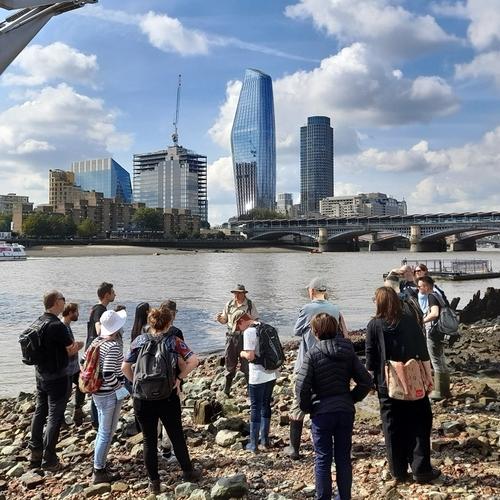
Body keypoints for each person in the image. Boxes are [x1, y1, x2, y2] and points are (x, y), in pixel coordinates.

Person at [122, 307, 201, 494]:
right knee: (176, 435)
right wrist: (179, 379)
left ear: (150, 322)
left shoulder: (138, 341)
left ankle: (154, 482)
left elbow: (125, 366)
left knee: (149, 440)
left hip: (142, 397)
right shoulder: (174, 341)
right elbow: (194, 361)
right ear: (169, 323)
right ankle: (188, 472)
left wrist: (136, 384)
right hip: (167, 395)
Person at [366, 287, 440, 484]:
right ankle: (421, 469)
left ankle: (397, 470)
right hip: (413, 379)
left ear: (379, 302)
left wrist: (371, 381)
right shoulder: (409, 321)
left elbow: (371, 356)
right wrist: (429, 377)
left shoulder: (374, 325)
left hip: (386, 382)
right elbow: (422, 351)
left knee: (391, 427)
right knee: (420, 423)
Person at [296, 313, 372, 500]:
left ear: (316, 332)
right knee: (343, 458)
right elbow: (366, 381)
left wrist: (308, 408)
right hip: (344, 411)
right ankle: (344, 497)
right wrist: (350, 399)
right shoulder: (348, 350)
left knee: (322, 458)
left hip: (322, 412)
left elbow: (301, 386)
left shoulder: (313, 353)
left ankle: (324, 497)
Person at [285, 277, 347, 460]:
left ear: (312, 291)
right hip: (329, 361)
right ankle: (326, 443)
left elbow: (296, 331)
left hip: (306, 361)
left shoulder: (306, 309)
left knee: (299, 404)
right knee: (324, 401)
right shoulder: (335, 309)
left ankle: (294, 448)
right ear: (325, 292)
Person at [28, 291, 83, 471]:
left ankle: (35, 452)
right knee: (54, 416)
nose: (64, 302)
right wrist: (80, 346)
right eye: (62, 299)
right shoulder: (56, 325)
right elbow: (70, 350)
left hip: (40, 374)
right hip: (58, 376)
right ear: (55, 303)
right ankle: (49, 458)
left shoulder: (39, 321)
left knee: (39, 411)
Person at [84, 309, 127, 484]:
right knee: (105, 431)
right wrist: (119, 388)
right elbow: (109, 372)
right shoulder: (114, 346)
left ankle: (99, 463)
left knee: (103, 429)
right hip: (109, 394)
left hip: (97, 393)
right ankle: (99, 470)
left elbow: (83, 362)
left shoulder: (96, 341)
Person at [237, 311, 278, 453]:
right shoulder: (265, 326)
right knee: (266, 404)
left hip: (258, 375)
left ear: (242, 320)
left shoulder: (249, 332)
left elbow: (250, 355)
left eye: (237, 325)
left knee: (255, 407)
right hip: (271, 373)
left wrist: (241, 353)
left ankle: (253, 444)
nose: (238, 329)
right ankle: (265, 440)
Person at [215, 284, 259, 396]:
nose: (236, 295)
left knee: (246, 365)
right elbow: (225, 320)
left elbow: (256, 321)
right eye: (235, 293)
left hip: (245, 337)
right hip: (231, 337)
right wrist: (220, 319)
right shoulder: (229, 304)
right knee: (229, 363)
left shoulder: (250, 304)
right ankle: (227, 390)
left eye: (238, 293)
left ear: (244, 293)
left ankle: (250, 391)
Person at [86, 282, 116, 428]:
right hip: (97, 351)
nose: (115, 294)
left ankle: (96, 420)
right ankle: (97, 421)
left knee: (96, 384)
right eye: (113, 292)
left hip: (92, 349)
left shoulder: (95, 309)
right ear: (106, 295)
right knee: (97, 384)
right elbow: (98, 329)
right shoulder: (100, 310)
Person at [417, 275, 451, 400]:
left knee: (436, 360)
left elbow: (435, 313)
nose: (419, 288)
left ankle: (439, 392)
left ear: (426, 286)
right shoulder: (438, 295)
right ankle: (446, 390)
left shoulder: (431, 296)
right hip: (442, 331)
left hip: (434, 333)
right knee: (441, 359)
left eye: (420, 286)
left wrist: (422, 321)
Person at [62, 302, 85, 426]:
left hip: (74, 367)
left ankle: (78, 409)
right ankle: (60, 420)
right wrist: (78, 346)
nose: (78, 314)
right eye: (76, 311)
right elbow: (67, 350)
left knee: (83, 384)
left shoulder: (67, 325)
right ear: (70, 313)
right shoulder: (63, 326)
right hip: (67, 369)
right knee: (65, 395)